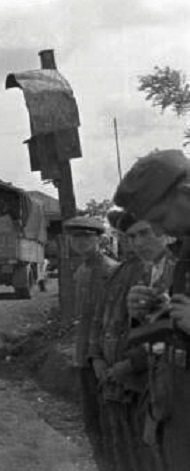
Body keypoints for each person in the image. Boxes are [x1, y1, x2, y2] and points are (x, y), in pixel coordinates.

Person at [114, 148, 190, 471]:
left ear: (185, 194)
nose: (160, 232)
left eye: (159, 220)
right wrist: (146, 313)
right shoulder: (184, 250)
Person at [88, 210, 170, 471]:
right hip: (115, 380)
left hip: (144, 384)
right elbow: (99, 318)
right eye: (130, 236)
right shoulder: (119, 273)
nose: (136, 242)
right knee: (118, 452)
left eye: (143, 233)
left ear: (164, 232)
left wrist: (129, 365)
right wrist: (96, 358)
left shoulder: (173, 272)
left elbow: (165, 337)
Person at [64, 215, 119, 469]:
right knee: (92, 423)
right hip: (85, 355)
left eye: (87, 237)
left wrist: (99, 356)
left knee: (110, 423)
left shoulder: (110, 270)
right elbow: (83, 318)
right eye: (76, 237)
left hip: (104, 357)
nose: (81, 242)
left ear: (99, 239)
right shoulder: (82, 270)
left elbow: (110, 318)